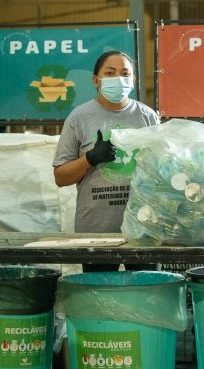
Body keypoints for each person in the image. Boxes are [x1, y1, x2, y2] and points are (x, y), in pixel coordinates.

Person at [53, 51, 160, 272]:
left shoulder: (148, 117)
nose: (118, 79)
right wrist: (90, 158)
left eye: (125, 73)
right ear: (96, 80)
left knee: (146, 296)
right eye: (110, 73)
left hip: (143, 228)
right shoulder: (79, 117)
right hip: (96, 232)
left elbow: (161, 171)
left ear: (133, 80)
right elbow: (61, 177)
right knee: (99, 298)